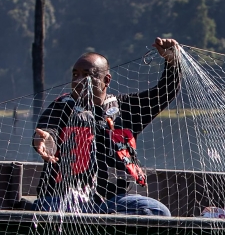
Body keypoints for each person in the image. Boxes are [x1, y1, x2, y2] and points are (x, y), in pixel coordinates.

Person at [32, 37, 181, 215]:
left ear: (106, 80)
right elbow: (49, 128)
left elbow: (165, 92)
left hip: (114, 200)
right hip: (66, 198)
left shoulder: (127, 108)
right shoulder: (61, 107)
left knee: (157, 211)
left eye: (87, 75)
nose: (79, 80)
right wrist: (46, 139)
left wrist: (172, 62)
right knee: (49, 209)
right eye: (75, 74)